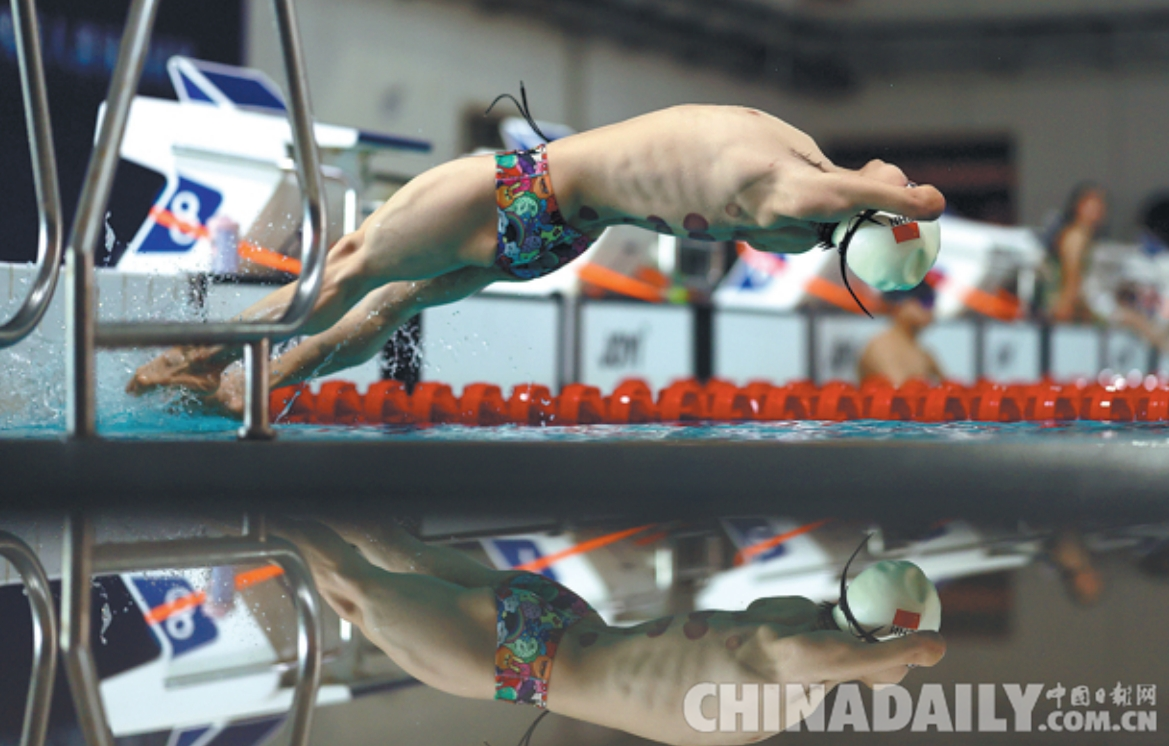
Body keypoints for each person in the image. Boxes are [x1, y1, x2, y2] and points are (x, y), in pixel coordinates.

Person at [126, 104, 945, 413]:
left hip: (528, 194)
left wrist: (903, 207)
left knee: (346, 279)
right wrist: (906, 214)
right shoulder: (790, 195)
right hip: (553, 228)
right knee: (383, 303)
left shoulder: (793, 174)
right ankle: (247, 378)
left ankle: (191, 364)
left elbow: (902, 195)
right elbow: (904, 197)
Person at [273, 517, 946, 746]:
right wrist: (911, 651)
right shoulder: (792, 657)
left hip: (558, 619)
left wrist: (895, 646)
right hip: (524, 663)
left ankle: (249, 475)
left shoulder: (793, 612)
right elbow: (826, 656)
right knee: (351, 586)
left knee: (381, 548)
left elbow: (837, 651)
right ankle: (221, 488)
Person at [857, 283, 943, 386]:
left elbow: (949, 389)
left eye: (932, 300)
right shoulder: (882, 347)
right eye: (925, 301)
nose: (931, 308)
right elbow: (903, 395)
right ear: (898, 305)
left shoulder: (924, 353)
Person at [1046, 183, 1108, 323]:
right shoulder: (1076, 237)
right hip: (1064, 305)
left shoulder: (1087, 238)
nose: (1097, 213)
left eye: (1100, 208)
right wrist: (1065, 308)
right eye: (1092, 207)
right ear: (1079, 207)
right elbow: (1071, 276)